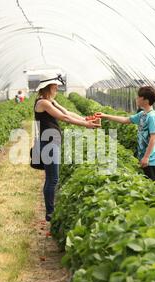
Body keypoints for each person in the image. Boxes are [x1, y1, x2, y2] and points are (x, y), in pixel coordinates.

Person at [34, 74, 101, 222]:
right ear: (48, 87)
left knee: (52, 178)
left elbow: (67, 112)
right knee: (52, 179)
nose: (57, 87)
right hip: (49, 143)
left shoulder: (50, 101)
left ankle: (51, 210)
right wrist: (86, 125)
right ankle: (50, 213)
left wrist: (85, 119)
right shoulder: (43, 103)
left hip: (52, 142)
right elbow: (63, 118)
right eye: (55, 85)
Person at [97, 86, 155, 181]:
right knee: (147, 182)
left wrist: (146, 157)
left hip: (152, 158)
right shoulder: (142, 114)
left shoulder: (152, 117)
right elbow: (126, 120)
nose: (136, 98)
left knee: (154, 184)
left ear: (145, 100)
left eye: (138, 97)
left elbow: (153, 138)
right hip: (145, 155)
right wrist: (105, 116)